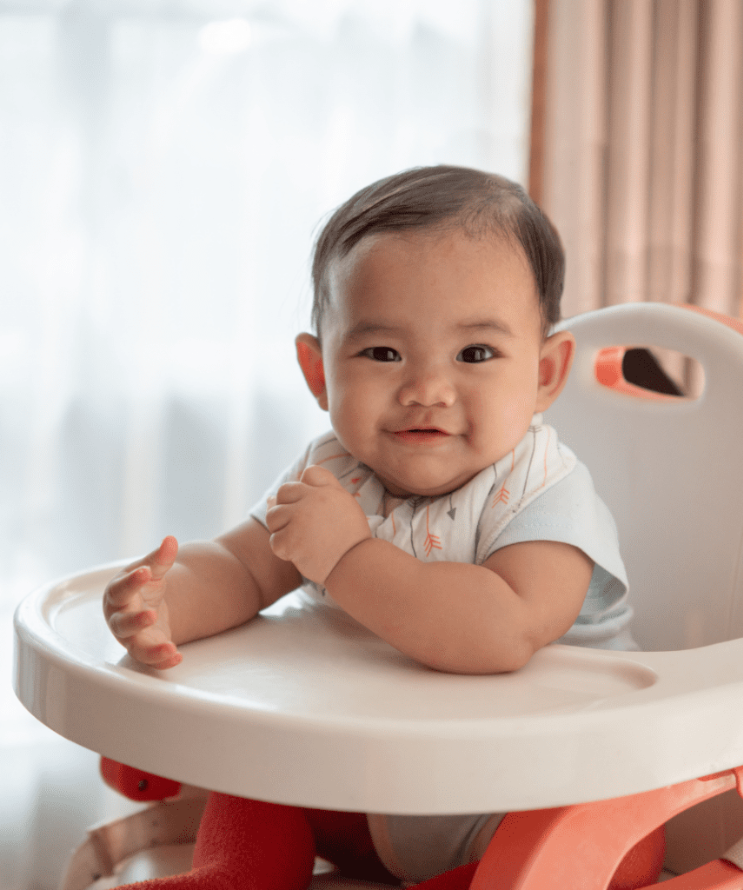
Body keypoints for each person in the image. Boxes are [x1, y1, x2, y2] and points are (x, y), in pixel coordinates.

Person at [103, 166, 635, 889]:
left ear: (544, 373)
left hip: (536, 802)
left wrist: (348, 554)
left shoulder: (544, 489)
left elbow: (503, 630)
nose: (426, 389)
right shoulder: (334, 470)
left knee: (557, 860)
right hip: (372, 788)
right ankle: (233, 875)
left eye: (475, 354)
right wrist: (164, 605)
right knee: (258, 768)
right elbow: (244, 565)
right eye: (382, 353)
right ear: (319, 371)